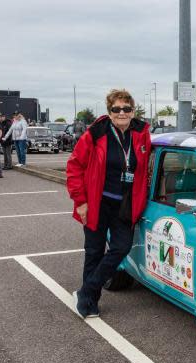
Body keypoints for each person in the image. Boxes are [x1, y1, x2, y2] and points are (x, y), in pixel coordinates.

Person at [66, 89, 151, 318]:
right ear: (109, 112)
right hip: (97, 202)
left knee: (121, 247)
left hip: (125, 204)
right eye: (117, 109)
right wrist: (80, 201)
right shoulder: (96, 133)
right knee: (94, 251)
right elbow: (74, 167)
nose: (122, 112)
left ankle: (85, 291)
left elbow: (145, 168)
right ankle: (89, 303)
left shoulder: (141, 133)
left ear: (133, 111)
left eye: (126, 108)